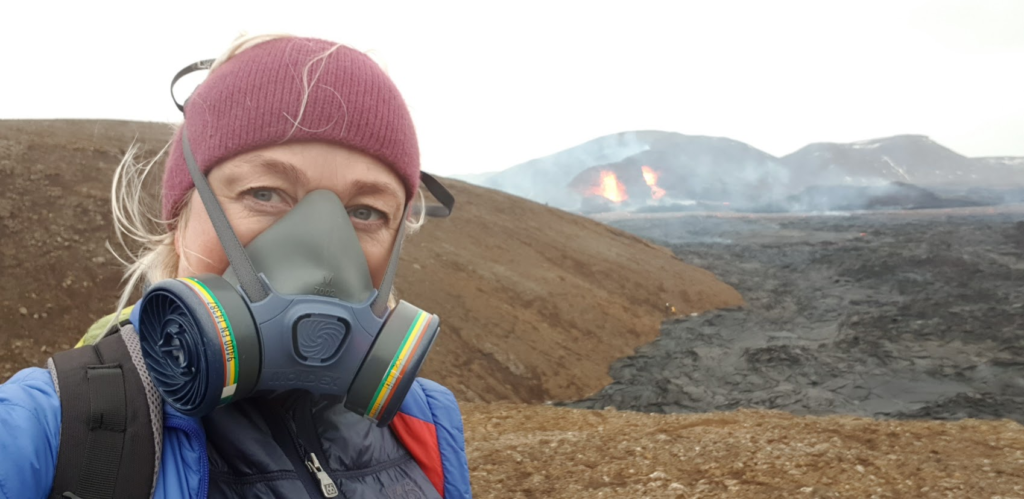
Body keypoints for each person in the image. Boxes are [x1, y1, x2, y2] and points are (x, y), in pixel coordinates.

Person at [0, 34, 471, 498]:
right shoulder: (52, 430)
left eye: (366, 211)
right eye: (264, 194)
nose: (323, 247)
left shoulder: (426, 421)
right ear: (179, 220)